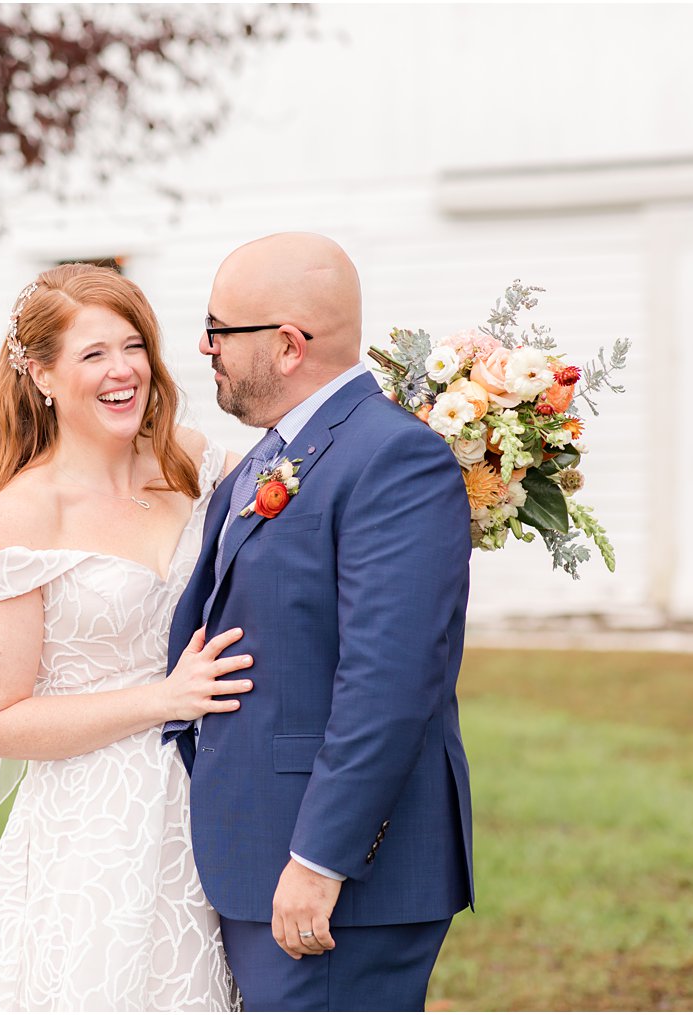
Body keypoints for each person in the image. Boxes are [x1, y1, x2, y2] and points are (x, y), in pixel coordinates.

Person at [0, 263, 253, 1011]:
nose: (123, 369)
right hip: (89, 828)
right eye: (93, 353)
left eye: (133, 345)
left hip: (209, 806)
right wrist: (163, 697)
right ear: (41, 374)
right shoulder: (22, 514)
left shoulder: (187, 460)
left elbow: (305, 488)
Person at [163, 233, 475, 1012]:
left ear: (288, 344)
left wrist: (320, 859)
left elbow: (392, 681)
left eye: (218, 328)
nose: (204, 347)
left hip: (334, 882)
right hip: (257, 850)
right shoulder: (278, 454)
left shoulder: (393, 458)